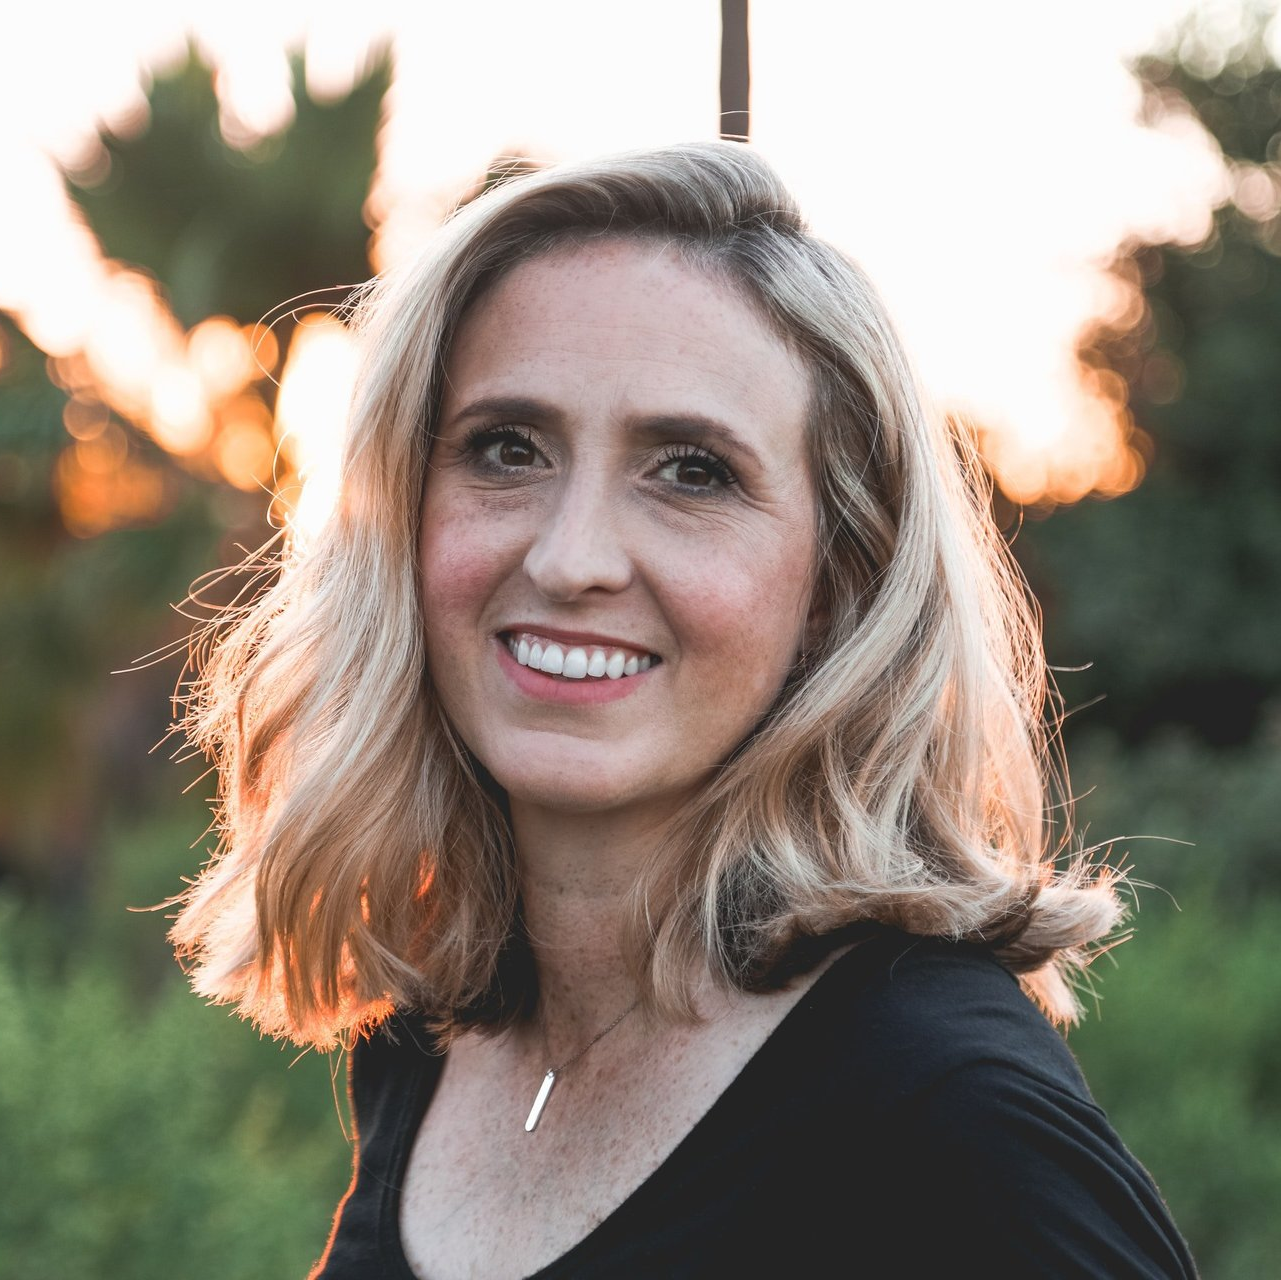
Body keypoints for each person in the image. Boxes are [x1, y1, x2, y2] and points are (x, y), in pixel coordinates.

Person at [170, 142, 1197, 1277]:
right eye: (506, 449)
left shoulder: (948, 1118)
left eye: (692, 470)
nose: (570, 558)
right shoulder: (433, 1035)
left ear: (838, 580)